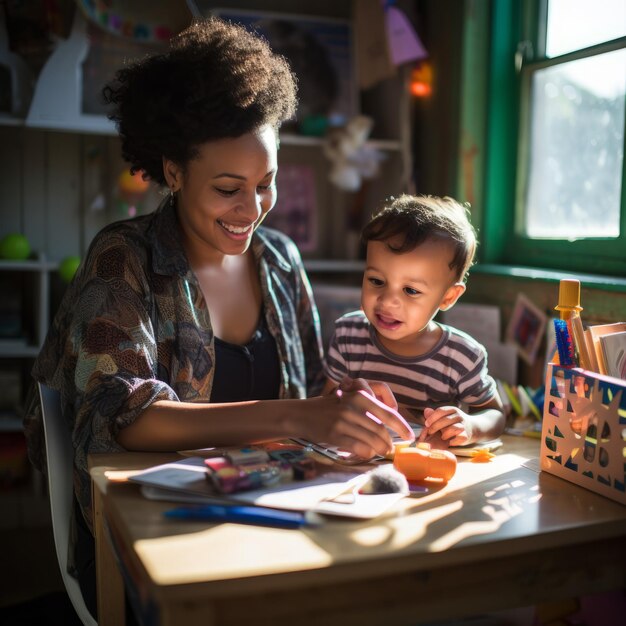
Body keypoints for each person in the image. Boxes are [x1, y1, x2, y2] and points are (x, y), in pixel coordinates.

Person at [21, 17, 414, 619]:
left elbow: (311, 391)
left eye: (267, 183)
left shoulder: (280, 260)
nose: (251, 209)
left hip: (275, 519)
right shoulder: (123, 259)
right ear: (174, 172)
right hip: (157, 538)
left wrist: (351, 403)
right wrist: (299, 413)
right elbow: (124, 419)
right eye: (229, 187)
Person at [324, 194, 505, 447]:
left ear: (448, 297)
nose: (387, 302)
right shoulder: (348, 336)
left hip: (425, 470)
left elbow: (495, 415)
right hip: (355, 464)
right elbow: (324, 404)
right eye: (377, 281)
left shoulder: (462, 356)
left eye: (410, 291)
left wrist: (471, 426)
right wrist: (345, 396)